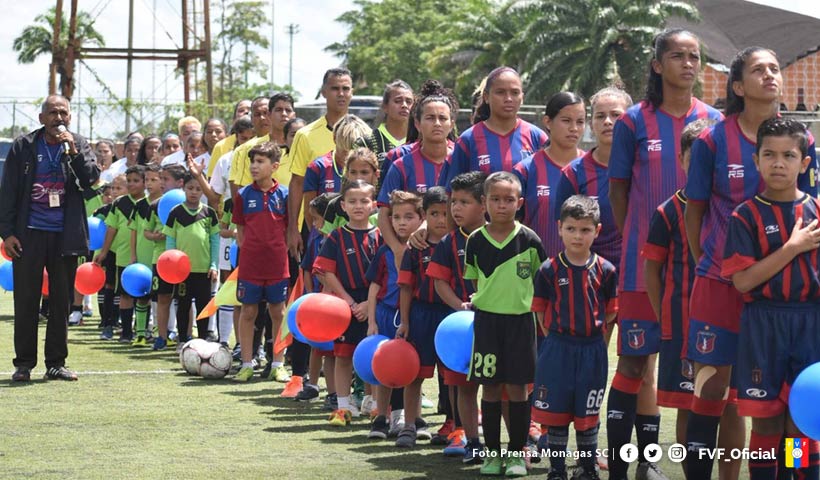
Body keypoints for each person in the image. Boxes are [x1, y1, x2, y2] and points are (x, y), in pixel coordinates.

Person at [684, 47, 817, 479]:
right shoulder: (711, 140)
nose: (770, 75)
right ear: (738, 86)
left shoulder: (804, 141)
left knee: (794, 408)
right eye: (758, 69)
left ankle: (789, 471)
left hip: (791, 301)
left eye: (775, 68)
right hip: (725, 282)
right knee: (712, 392)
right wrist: (707, 265)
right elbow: (695, 210)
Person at [605, 28, 724, 480]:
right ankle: (621, 467)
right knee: (635, 363)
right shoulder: (634, 121)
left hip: (700, 274)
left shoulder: (714, 120)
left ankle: (656, 466)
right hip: (643, 269)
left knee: (704, 375)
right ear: (657, 64)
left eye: (695, 56)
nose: (688, 63)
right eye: (678, 55)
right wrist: (638, 239)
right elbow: (618, 191)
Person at [722, 117, 820, 480]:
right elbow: (743, 282)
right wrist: (792, 248)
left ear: (804, 163)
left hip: (811, 324)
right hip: (763, 326)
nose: (779, 163)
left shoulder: (817, 212)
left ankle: (799, 476)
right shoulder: (744, 216)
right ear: (756, 160)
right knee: (765, 425)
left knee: (801, 426)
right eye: (770, 154)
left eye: (789, 155)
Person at [0, 94, 99, 381]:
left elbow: (91, 177)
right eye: (53, 113)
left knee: (60, 302)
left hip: (65, 235)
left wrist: (73, 152)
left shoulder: (78, 144)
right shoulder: (24, 146)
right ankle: (24, 364)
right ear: (41, 118)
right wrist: (7, 233)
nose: (59, 118)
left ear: (70, 116)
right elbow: (8, 192)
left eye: (64, 113)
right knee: (27, 300)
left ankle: (56, 363)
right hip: (28, 234)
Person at [641, 118, 713, 476]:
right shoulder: (668, 211)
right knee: (689, 406)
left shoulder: (734, 207)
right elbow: (652, 270)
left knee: (731, 407)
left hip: (736, 324)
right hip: (683, 325)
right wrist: (664, 316)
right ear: (683, 159)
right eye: (694, 154)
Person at [464, 171, 547, 477]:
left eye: (509, 200)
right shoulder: (475, 240)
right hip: (487, 322)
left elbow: (542, 280)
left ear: (520, 202)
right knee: (490, 388)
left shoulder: (530, 239)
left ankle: (515, 454)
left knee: (517, 388)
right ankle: (492, 454)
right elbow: (473, 280)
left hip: (521, 323)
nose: (502, 205)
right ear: (484, 202)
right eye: (495, 199)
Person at [531, 195, 618, 480]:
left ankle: (587, 467)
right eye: (571, 229)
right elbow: (541, 313)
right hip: (557, 348)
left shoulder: (606, 270)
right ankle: (556, 470)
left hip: (591, 350)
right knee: (555, 414)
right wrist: (557, 339)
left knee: (587, 414)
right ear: (559, 228)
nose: (577, 236)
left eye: (585, 229)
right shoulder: (547, 270)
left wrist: (591, 340)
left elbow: (608, 312)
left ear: (597, 230)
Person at [427, 171, 487, 462]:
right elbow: (439, 282)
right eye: (454, 202)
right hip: (462, 326)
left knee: (499, 383)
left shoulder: (508, 236)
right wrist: (460, 307)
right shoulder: (447, 243)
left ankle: (514, 437)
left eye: (464, 202)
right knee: (460, 381)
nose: (456, 209)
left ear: (483, 204)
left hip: (498, 323)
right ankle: (465, 433)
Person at [313, 179, 380, 426]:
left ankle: (373, 403)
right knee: (343, 355)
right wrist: (350, 301)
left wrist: (367, 305)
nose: (358, 206)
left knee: (373, 354)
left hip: (374, 303)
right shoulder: (336, 237)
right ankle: (343, 406)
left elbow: (385, 274)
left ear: (374, 205)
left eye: (364, 201)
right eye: (352, 201)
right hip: (345, 304)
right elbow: (324, 271)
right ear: (342, 205)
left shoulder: (382, 236)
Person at [552, 86, 633, 272]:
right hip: (589, 276)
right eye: (600, 116)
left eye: (615, 115)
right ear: (591, 124)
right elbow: (566, 229)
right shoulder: (573, 173)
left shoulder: (642, 168)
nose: (607, 121)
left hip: (634, 272)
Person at [395, 187, 451, 448]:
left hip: (452, 317)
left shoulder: (461, 243)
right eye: (434, 213)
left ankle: (454, 424)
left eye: (446, 212)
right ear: (424, 216)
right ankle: (409, 424)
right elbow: (406, 287)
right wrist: (405, 322)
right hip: (422, 315)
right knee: (414, 373)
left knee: (453, 375)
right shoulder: (415, 249)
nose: (441, 219)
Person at [366, 190, 424, 439]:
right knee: (384, 368)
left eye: (408, 217)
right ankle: (381, 416)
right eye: (396, 217)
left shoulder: (424, 250)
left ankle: (408, 417)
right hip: (385, 314)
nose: (401, 222)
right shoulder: (384, 252)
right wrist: (371, 322)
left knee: (411, 369)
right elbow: (374, 288)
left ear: (421, 218)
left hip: (412, 317)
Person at [231, 142, 289, 382]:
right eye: (252, 161)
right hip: (250, 265)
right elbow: (240, 232)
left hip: (277, 264)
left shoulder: (285, 194)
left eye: (260, 161)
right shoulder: (243, 195)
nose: (254, 166)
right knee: (248, 312)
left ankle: (278, 363)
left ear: (274, 166)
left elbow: (289, 230)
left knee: (278, 311)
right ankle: (246, 363)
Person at [377, 88, 455, 264]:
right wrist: (398, 250)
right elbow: (383, 215)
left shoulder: (462, 160)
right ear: (417, 124)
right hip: (413, 257)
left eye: (442, 118)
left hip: (453, 255)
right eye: (430, 118)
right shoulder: (401, 166)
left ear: (451, 124)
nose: (437, 123)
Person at [443, 67, 548, 187]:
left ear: (522, 97)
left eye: (515, 93)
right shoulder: (468, 139)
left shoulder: (537, 137)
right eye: (500, 92)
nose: (508, 99)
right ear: (486, 97)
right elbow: (453, 192)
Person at [288, 68, 354, 258]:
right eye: (335, 88)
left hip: (355, 225)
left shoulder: (363, 132)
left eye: (346, 88)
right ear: (323, 92)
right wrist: (293, 228)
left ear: (352, 92)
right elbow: (297, 182)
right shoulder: (305, 135)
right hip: (315, 226)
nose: (341, 94)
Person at [513, 91, 586, 256]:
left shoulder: (593, 168)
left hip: (583, 274)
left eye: (580, 122)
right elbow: (511, 226)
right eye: (566, 120)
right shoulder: (525, 170)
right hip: (535, 271)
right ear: (547, 122)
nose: (574, 128)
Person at [163, 173, 219, 345]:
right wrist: (171, 264)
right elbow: (170, 239)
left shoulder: (209, 213)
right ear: (183, 188)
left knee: (203, 307)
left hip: (204, 270)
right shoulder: (176, 212)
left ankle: (202, 341)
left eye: (198, 189)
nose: (194, 192)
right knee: (183, 305)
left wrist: (214, 265)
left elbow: (214, 240)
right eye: (190, 188)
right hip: (182, 272)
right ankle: (183, 340)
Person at [94, 165, 147, 343]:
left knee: (143, 295)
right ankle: (124, 331)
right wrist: (104, 251)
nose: (131, 184)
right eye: (129, 181)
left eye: (136, 181)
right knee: (124, 294)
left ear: (145, 182)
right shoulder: (119, 203)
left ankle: (142, 331)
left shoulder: (149, 203)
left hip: (145, 255)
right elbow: (112, 227)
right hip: (123, 255)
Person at [295, 193, 338, 406]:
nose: (313, 224)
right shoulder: (314, 238)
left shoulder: (336, 240)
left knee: (332, 350)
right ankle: (312, 384)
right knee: (317, 346)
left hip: (335, 303)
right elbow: (307, 268)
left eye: (317, 219)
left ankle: (334, 393)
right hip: (318, 302)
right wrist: (310, 296)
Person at [229, 93, 297, 196]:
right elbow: (243, 193)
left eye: (288, 110)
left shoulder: (303, 145)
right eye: (278, 110)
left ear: (294, 115)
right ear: (270, 115)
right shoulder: (249, 148)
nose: (283, 114)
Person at [150, 165, 186, 350]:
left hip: (183, 259)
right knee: (163, 296)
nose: (162, 183)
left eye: (166, 179)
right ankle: (161, 336)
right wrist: (157, 235)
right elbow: (146, 231)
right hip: (162, 259)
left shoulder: (189, 204)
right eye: (160, 179)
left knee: (183, 299)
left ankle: (184, 336)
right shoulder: (156, 204)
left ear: (180, 183)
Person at [129, 163, 164, 346]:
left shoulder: (167, 203)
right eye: (147, 180)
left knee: (159, 297)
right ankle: (141, 334)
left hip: (159, 258)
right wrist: (133, 256)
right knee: (142, 296)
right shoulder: (139, 205)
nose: (149, 183)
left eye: (154, 179)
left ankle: (160, 331)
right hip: (142, 258)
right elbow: (134, 231)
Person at [360, 79, 414, 188]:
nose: (404, 105)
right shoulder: (366, 142)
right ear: (385, 106)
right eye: (398, 101)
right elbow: (354, 184)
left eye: (409, 101)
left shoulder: (419, 141)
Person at [206, 99, 252, 178]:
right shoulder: (221, 146)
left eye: (250, 110)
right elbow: (213, 181)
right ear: (234, 119)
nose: (246, 112)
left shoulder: (265, 142)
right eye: (241, 110)